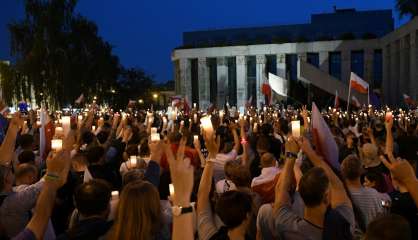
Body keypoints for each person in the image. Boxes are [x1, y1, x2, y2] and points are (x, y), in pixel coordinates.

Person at [272, 137, 355, 240]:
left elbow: (280, 190)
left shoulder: (288, 227)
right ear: (326, 197)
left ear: (301, 195)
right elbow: (337, 186)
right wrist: (310, 151)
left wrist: (290, 156)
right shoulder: (344, 222)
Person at [340, 155, 388, 229]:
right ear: (361, 171)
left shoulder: (340, 196)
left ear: (342, 172)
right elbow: (380, 219)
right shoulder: (373, 194)